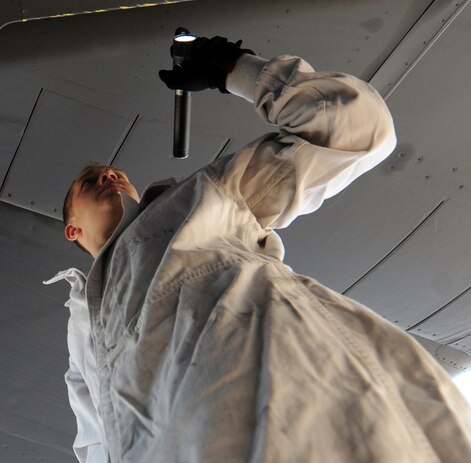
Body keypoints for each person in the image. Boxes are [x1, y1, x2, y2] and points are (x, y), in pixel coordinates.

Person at [46, 35, 471, 462]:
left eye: (116, 174)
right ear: (72, 229)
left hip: (321, 407)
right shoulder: (82, 331)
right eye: (92, 181)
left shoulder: (203, 198)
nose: (110, 178)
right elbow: (96, 444)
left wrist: (232, 68)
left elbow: (360, 129)